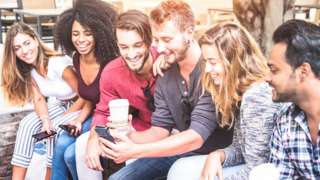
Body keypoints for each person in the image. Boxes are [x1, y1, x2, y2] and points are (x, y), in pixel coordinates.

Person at [99, 1, 233, 179]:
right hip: (181, 150)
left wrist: (136, 151)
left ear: (189, 33)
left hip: (217, 155)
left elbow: (196, 136)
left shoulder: (210, 69)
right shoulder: (164, 72)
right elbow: (160, 130)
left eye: (167, 40)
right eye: (156, 40)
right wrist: (129, 134)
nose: (160, 48)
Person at [166, 22, 283, 180]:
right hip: (253, 168)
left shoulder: (256, 97)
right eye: (206, 62)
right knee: (180, 168)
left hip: (271, 173)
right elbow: (242, 149)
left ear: (235, 62)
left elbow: (257, 170)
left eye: (213, 62)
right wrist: (218, 155)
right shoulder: (241, 93)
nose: (207, 69)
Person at [75, 9, 159, 179]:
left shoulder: (166, 61)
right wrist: (93, 138)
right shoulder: (112, 72)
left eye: (138, 45)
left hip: (167, 132)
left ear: (149, 42)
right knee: (81, 144)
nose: (131, 54)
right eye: (124, 47)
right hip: (136, 127)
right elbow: (103, 111)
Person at [1, 22, 83, 180]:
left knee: (53, 131)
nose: (24, 51)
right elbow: (38, 99)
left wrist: (63, 117)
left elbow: (85, 94)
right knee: (27, 124)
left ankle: (49, 177)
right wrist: (45, 121)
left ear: (35, 40)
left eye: (27, 43)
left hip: (81, 103)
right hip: (61, 103)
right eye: (17, 48)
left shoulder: (57, 63)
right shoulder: (28, 69)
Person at [51, 0, 119, 179]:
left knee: (71, 154)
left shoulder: (110, 62)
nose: (80, 39)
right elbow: (90, 96)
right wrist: (79, 120)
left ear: (99, 33)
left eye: (87, 33)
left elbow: (105, 103)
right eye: (75, 33)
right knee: (61, 142)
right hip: (92, 114)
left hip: (111, 118)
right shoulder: (76, 58)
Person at [267, 19, 320, 179]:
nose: (266, 78)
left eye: (274, 70)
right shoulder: (284, 121)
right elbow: (281, 176)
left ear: (303, 72)